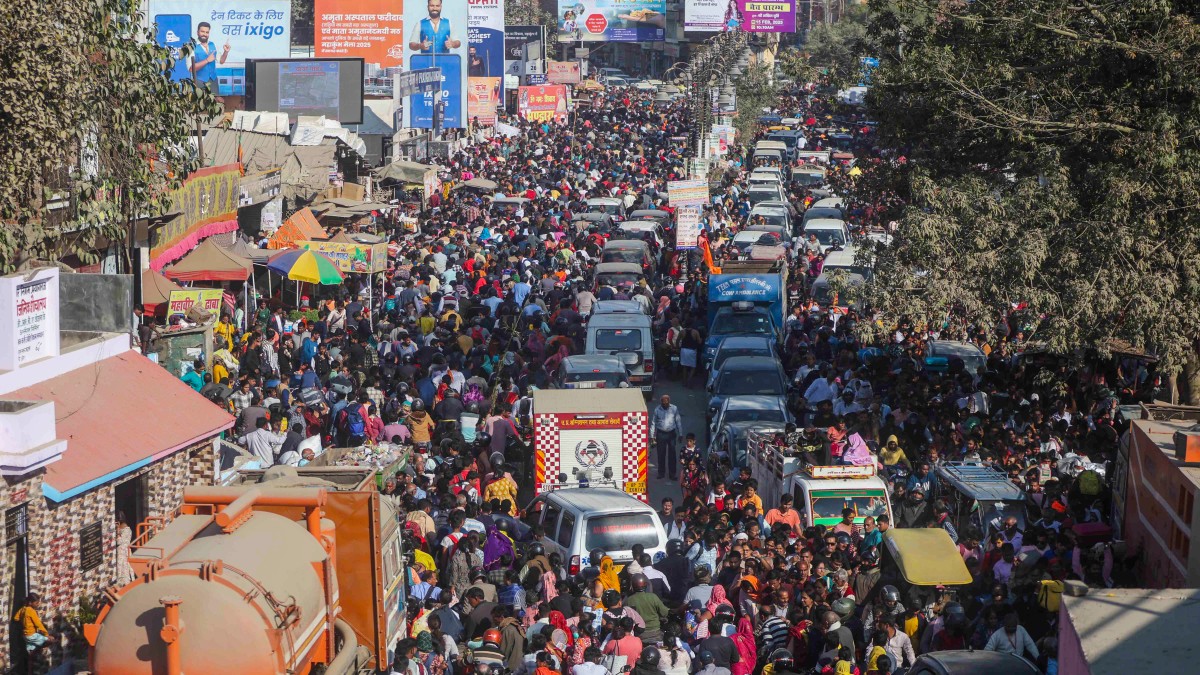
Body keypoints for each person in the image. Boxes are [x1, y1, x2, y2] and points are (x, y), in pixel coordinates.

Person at [191, 21, 230, 94]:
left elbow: (221, 61)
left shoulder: (212, 44)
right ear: (197, 32)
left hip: (213, 81)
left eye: (207, 32)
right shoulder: (192, 46)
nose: (204, 34)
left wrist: (226, 52)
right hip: (199, 82)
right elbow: (191, 68)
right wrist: (207, 60)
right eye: (202, 32)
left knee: (216, 100)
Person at [651, 394, 682, 480]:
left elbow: (678, 421)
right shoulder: (657, 409)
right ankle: (661, 473)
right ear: (661, 402)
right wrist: (652, 436)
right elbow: (653, 423)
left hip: (671, 434)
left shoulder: (674, 408)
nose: (665, 405)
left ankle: (672, 474)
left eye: (666, 403)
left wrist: (680, 434)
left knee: (672, 454)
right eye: (663, 403)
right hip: (661, 434)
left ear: (669, 402)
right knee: (661, 454)